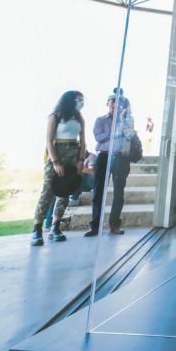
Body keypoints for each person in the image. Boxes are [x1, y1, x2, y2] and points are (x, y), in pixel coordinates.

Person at [32, 91, 87, 246]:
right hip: (57, 153)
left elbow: (83, 141)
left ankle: (55, 227)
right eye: (78, 99)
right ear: (69, 100)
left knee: (65, 191)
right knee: (48, 191)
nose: (81, 102)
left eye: (82, 100)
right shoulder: (55, 116)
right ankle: (37, 228)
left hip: (73, 154)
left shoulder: (79, 117)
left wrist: (81, 160)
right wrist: (55, 162)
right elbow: (49, 142)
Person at [86, 91, 135, 237]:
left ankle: (114, 225)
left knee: (119, 192)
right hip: (104, 157)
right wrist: (115, 134)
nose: (115, 104)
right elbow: (99, 137)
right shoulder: (100, 120)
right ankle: (95, 226)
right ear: (107, 103)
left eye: (118, 101)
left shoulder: (126, 119)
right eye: (112, 101)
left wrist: (123, 121)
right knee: (99, 191)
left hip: (120, 158)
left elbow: (129, 135)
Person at [43, 150, 96, 228]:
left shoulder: (92, 157)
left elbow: (92, 171)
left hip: (86, 183)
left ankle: (74, 198)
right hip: (75, 183)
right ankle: (48, 223)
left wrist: (79, 168)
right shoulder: (74, 158)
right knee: (54, 196)